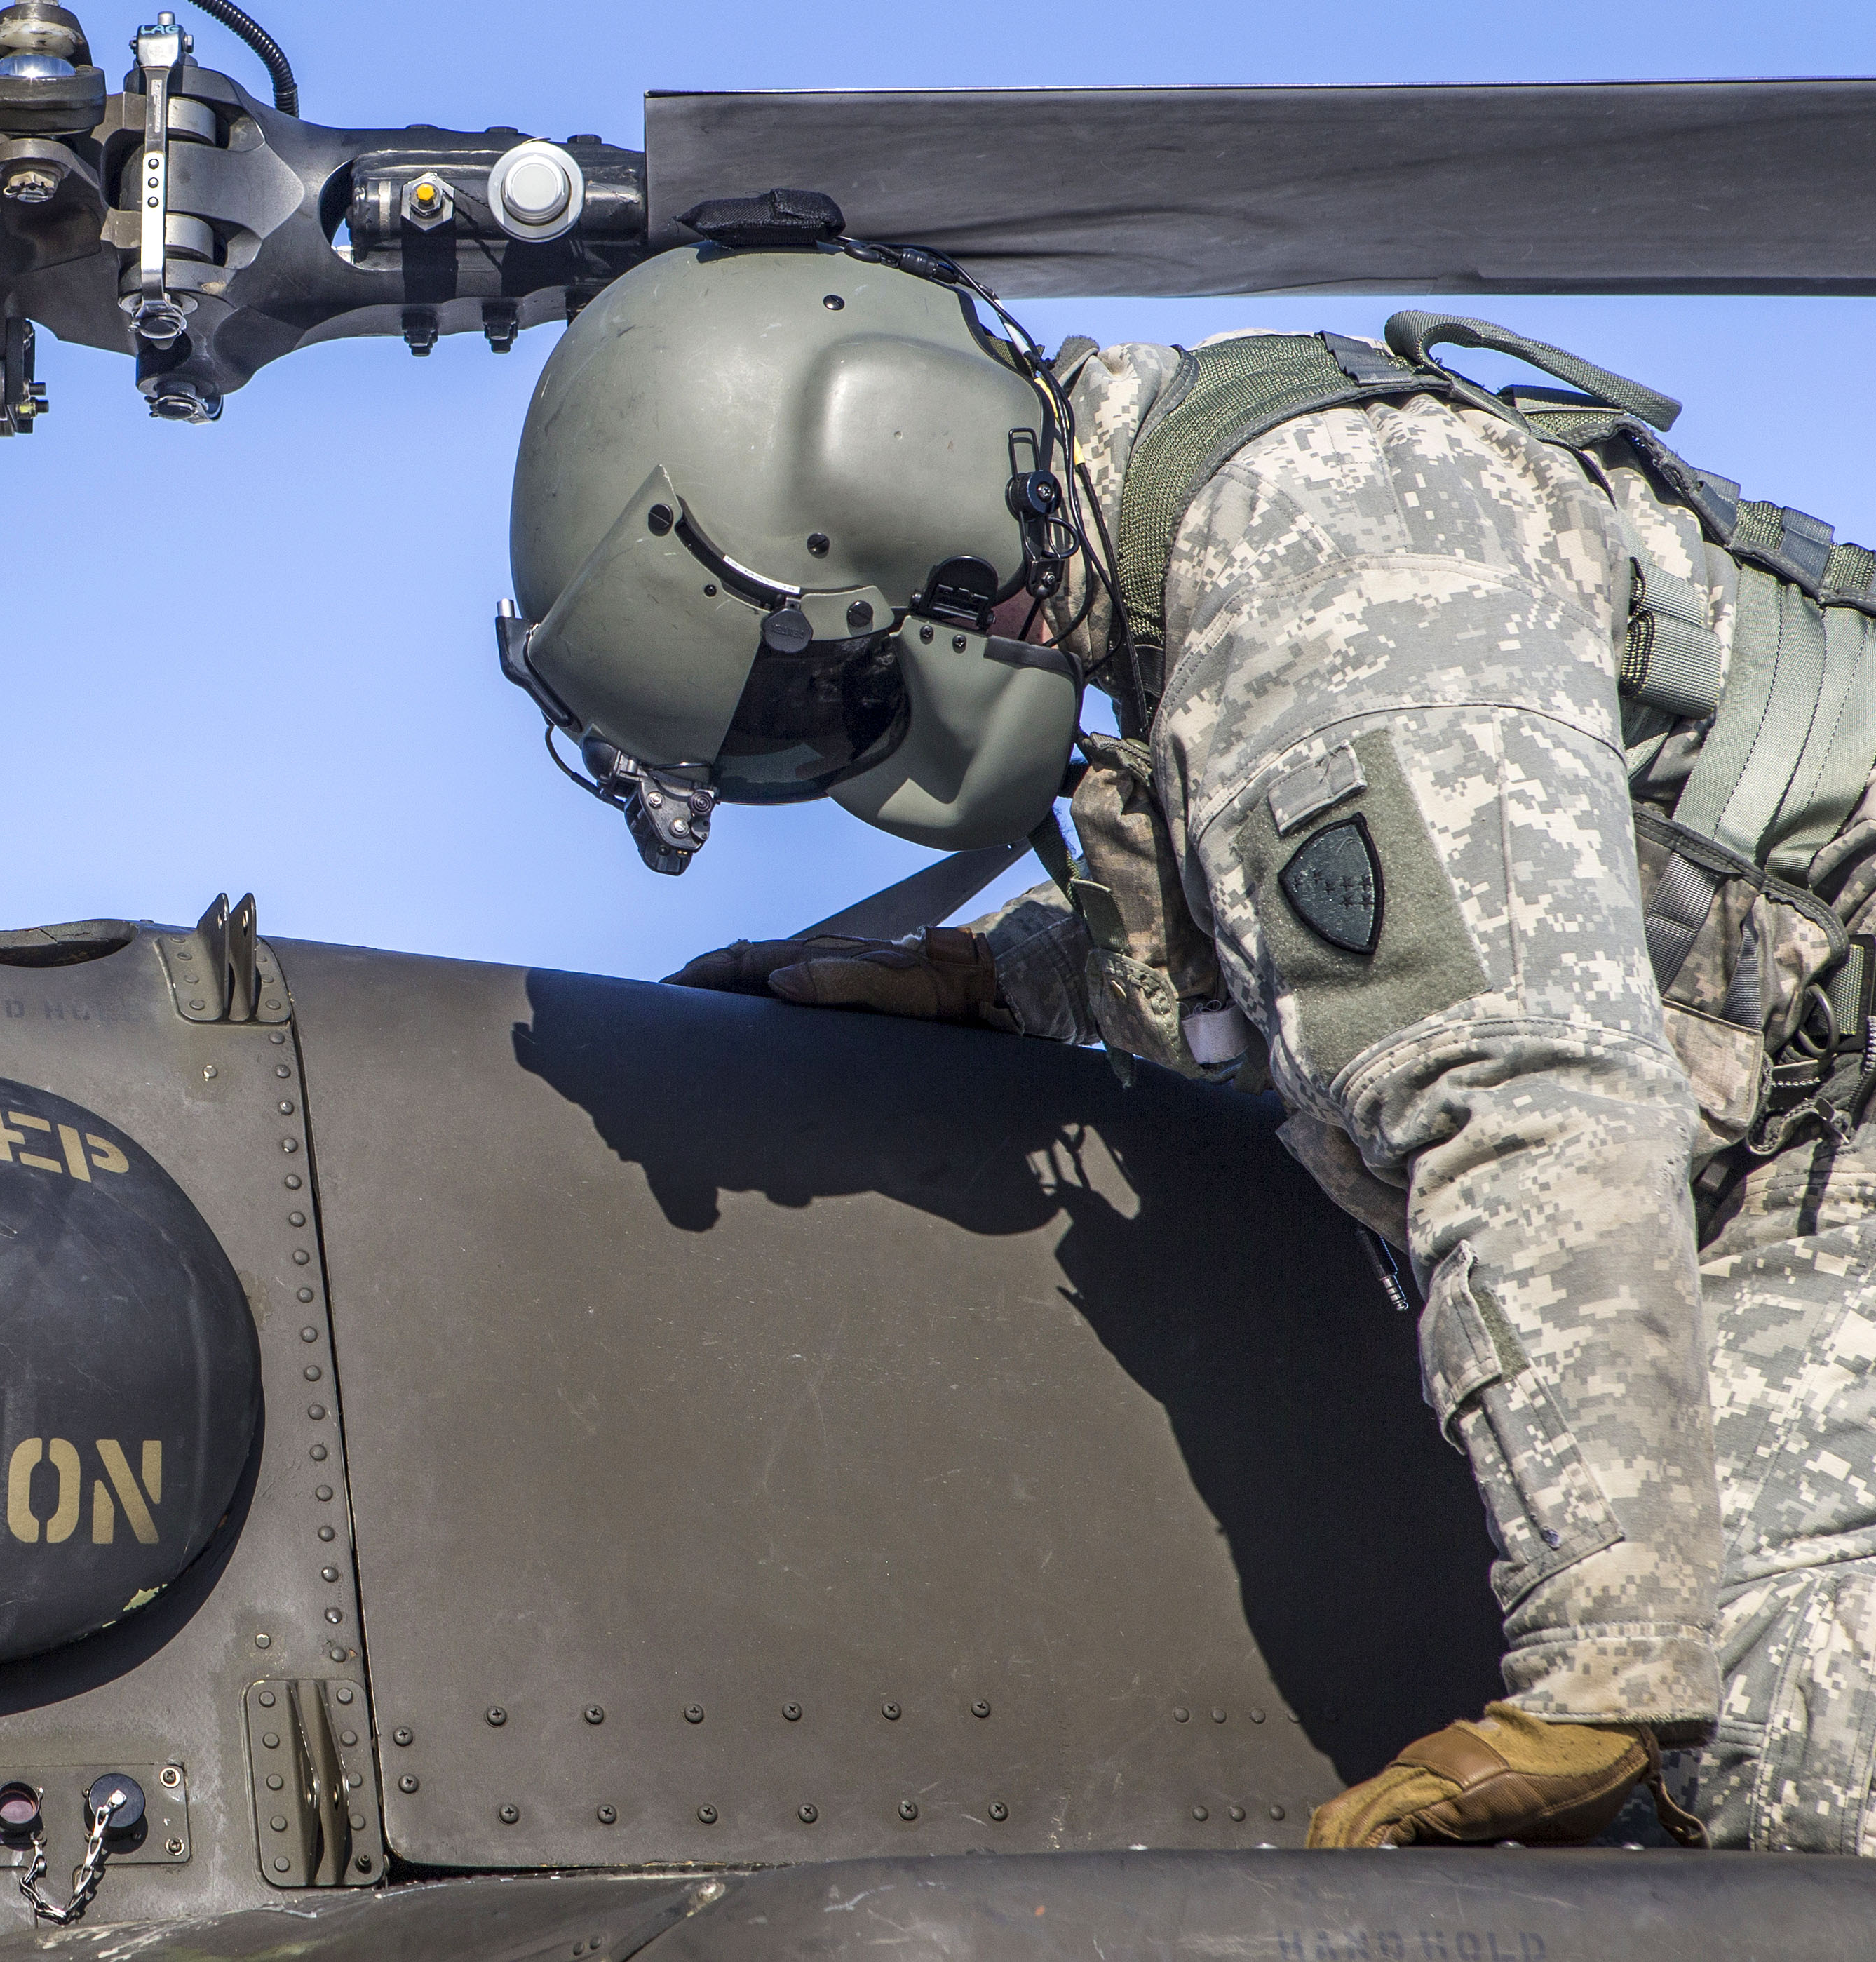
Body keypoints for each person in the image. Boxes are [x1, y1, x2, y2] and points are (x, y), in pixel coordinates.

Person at [494, 189, 1876, 1853]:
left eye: (816, 712)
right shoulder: (1206, 554)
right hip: (1809, 1104)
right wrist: (1025, 974)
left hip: (1827, 1118)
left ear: (907, 491)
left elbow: (1526, 1095)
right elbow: (1369, 932)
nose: (847, 770)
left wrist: (1607, 1669)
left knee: (1774, 1700)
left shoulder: (1318, 576)